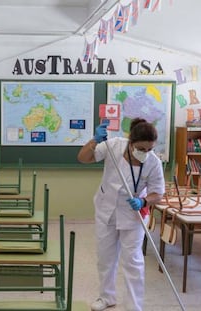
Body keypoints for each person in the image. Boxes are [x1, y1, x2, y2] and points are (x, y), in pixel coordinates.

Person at [77, 118, 165, 311]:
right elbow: (83, 158)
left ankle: (134, 305)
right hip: (105, 209)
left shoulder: (153, 162)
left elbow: (158, 193)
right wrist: (94, 140)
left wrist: (143, 201)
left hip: (133, 214)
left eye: (149, 149)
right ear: (131, 142)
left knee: (133, 260)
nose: (145, 153)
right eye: (141, 149)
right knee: (105, 258)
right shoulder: (114, 146)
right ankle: (106, 297)